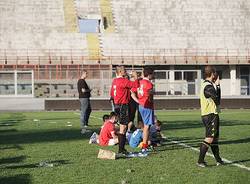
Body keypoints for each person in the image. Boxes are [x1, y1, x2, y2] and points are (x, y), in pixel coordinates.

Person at [197, 65, 224, 167]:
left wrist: (217, 86)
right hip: (210, 115)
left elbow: (216, 99)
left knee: (214, 138)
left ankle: (218, 160)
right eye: (214, 73)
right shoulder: (208, 86)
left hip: (211, 114)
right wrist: (217, 87)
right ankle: (200, 161)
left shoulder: (207, 84)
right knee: (209, 138)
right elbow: (217, 100)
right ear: (212, 74)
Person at [110, 66, 139, 155]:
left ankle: (122, 148)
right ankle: (121, 149)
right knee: (123, 128)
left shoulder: (115, 81)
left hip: (117, 105)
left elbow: (112, 93)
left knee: (124, 127)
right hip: (123, 106)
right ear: (120, 72)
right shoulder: (123, 80)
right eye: (124, 70)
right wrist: (135, 76)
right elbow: (136, 85)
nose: (126, 72)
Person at [133, 67, 155, 156]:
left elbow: (132, 92)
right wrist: (151, 98)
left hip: (141, 105)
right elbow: (150, 96)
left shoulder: (140, 82)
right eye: (152, 74)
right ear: (149, 75)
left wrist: (138, 101)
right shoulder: (149, 84)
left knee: (145, 126)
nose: (153, 76)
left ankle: (146, 143)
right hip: (147, 106)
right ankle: (144, 146)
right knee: (147, 126)